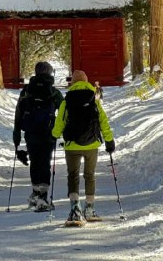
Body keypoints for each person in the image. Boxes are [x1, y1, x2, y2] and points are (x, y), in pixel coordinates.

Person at [52, 69, 115, 224]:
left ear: (72, 83)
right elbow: (103, 122)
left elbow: (59, 123)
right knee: (90, 175)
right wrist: (109, 141)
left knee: (72, 175)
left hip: (72, 145)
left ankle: (75, 210)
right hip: (91, 144)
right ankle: (90, 208)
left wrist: (53, 136)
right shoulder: (94, 100)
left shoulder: (66, 102)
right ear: (86, 82)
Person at [13, 60, 63, 211]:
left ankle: (35, 193)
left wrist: (16, 134)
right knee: (45, 162)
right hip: (49, 133)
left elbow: (19, 112)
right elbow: (63, 111)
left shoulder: (27, 90)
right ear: (49, 72)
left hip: (31, 132)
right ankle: (44, 196)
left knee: (34, 162)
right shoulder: (54, 92)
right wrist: (61, 131)